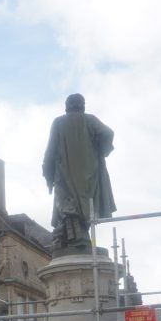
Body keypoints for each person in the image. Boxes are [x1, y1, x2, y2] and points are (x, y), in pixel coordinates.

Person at [42, 93, 116, 251]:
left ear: (67, 106)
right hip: (89, 176)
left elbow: (50, 152)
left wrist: (48, 175)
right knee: (84, 207)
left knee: (69, 208)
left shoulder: (58, 123)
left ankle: (77, 240)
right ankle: (76, 239)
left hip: (64, 176)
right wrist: (100, 149)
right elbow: (108, 133)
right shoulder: (90, 120)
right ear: (82, 105)